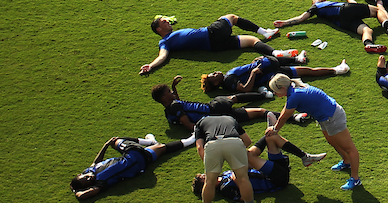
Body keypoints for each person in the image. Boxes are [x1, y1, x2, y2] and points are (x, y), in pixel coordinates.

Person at [266, 74, 362, 190]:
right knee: (333, 142)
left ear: (282, 88)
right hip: (325, 118)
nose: (275, 94)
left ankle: (355, 179)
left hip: (333, 117)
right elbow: (286, 108)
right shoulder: (293, 90)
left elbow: (285, 116)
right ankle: (346, 161)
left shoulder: (295, 95)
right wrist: (275, 127)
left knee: (349, 148)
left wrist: (275, 129)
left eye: (275, 91)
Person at [140, 13, 283, 76]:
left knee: (251, 41)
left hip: (214, 47)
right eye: (163, 23)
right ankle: (264, 32)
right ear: (159, 30)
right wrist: (151, 65)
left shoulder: (168, 40)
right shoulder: (164, 41)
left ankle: (275, 53)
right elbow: (162, 56)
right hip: (212, 33)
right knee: (231, 17)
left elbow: (164, 55)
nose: (167, 22)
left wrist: (151, 66)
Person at [70, 134, 192, 201]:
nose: (88, 178)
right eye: (86, 182)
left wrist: (105, 146)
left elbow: (96, 162)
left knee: (114, 141)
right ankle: (192, 139)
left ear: (81, 174)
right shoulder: (99, 183)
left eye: (84, 177)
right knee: (162, 147)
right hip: (137, 162)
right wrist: (76, 191)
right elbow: (82, 195)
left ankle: (149, 142)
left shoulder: (90, 171)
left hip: (129, 154)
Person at [193, 113, 265, 203]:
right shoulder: (230, 119)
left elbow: (199, 147)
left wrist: (209, 161)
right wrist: (235, 154)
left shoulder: (200, 123)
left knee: (209, 181)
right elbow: (247, 141)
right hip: (234, 142)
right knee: (243, 179)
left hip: (212, 144)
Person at [193, 129, 292, 202]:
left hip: (272, 171)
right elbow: (244, 198)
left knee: (268, 138)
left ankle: (270, 131)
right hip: (275, 181)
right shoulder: (225, 189)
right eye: (204, 178)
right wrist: (237, 178)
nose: (206, 175)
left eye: (204, 175)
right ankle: (272, 130)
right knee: (248, 155)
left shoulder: (224, 174)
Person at [151, 74, 272, 132]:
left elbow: (179, 105)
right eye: (169, 91)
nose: (171, 92)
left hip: (216, 118)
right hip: (213, 108)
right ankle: (264, 95)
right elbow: (188, 124)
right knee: (234, 98)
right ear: (163, 97)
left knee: (258, 112)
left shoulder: (169, 112)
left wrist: (174, 89)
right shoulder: (175, 106)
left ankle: (290, 117)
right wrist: (202, 133)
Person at [274, 0, 388, 54]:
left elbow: (357, 7)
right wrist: (284, 22)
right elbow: (301, 18)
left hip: (342, 22)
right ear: (315, 2)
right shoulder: (317, 6)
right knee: (377, 10)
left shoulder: (322, 12)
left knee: (367, 30)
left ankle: (368, 44)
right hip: (344, 10)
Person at [201, 55, 349, 96]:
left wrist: (252, 66)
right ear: (215, 83)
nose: (215, 72)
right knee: (307, 70)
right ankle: (337, 70)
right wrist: (253, 72)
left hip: (267, 70)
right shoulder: (228, 81)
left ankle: (336, 70)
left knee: (305, 70)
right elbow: (246, 89)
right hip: (270, 73)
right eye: (213, 75)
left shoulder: (227, 78)